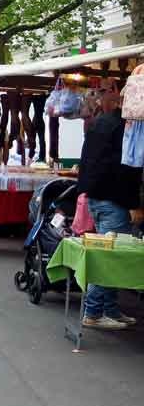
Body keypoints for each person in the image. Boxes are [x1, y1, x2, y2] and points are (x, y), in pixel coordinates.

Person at [77, 90, 140, 330]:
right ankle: (93, 312)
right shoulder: (125, 129)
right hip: (113, 199)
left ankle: (110, 309)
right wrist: (134, 203)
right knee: (108, 259)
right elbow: (126, 168)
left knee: (109, 255)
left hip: (96, 196)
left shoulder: (101, 122)